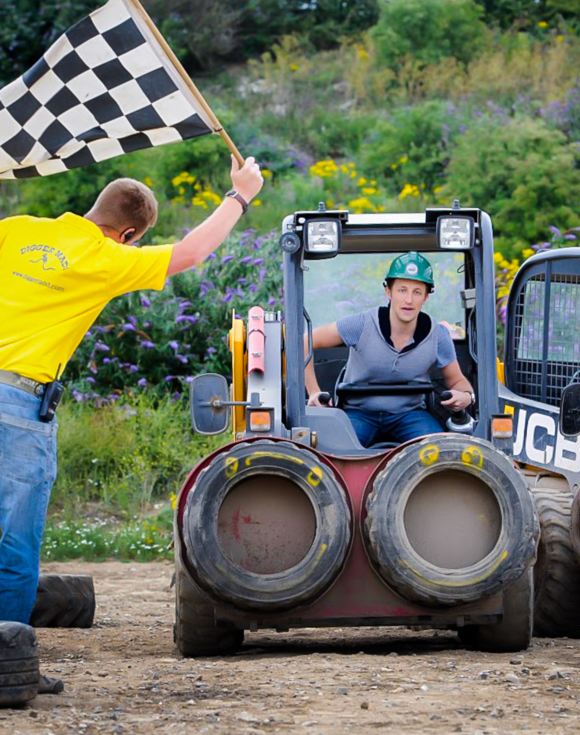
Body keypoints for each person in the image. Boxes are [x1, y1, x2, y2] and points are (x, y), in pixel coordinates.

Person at [0, 154, 263, 691]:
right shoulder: (105, 259)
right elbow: (190, 253)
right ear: (128, 234)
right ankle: (6, 664)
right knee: (13, 542)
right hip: (17, 406)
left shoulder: (18, 230)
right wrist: (240, 194)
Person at [304, 251, 475, 447]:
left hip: (410, 415)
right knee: (334, 450)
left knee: (439, 451)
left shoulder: (438, 335)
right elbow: (305, 342)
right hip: (359, 413)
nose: (409, 300)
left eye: (417, 292)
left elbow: (458, 381)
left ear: (426, 297)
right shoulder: (360, 325)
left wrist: (465, 396)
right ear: (389, 292)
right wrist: (314, 392)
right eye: (402, 290)